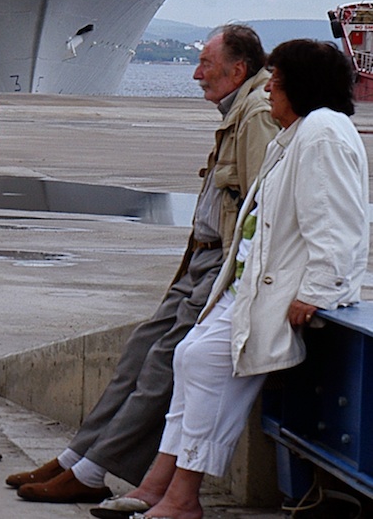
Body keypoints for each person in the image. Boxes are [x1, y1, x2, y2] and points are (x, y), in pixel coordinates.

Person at [10, 25, 276, 504]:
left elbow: (262, 206)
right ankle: (77, 456)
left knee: (160, 366)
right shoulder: (238, 109)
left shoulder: (254, 115)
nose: (196, 74)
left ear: (238, 70)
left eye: (206, 65)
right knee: (138, 353)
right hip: (200, 258)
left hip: (220, 265)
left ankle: (93, 470)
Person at [125, 39, 368, 519]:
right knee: (192, 358)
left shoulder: (322, 132)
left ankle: (180, 497)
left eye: (276, 83)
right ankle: (163, 486)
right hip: (253, 287)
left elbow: (337, 222)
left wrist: (317, 291)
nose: (270, 92)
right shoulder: (299, 131)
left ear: (300, 86)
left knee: (205, 366)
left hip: (281, 293)